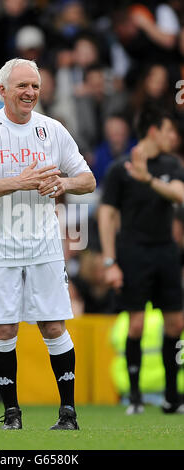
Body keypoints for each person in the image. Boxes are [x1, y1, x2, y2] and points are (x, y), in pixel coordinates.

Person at [0, 58, 96, 430]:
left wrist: (64, 184)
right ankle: (12, 414)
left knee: (53, 326)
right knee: (4, 329)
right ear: (2, 91)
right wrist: (19, 181)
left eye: (34, 85)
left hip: (44, 247)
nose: (30, 92)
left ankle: (68, 413)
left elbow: (88, 179)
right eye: (22, 86)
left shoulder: (52, 130)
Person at [98, 107, 184, 415]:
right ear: (153, 131)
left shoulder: (171, 164)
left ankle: (172, 397)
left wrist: (149, 179)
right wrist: (110, 261)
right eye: (168, 131)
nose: (173, 137)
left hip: (166, 251)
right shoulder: (120, 170)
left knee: (176, 323)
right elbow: (107, 214)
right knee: (136, 324)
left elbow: (179, 194)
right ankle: (134, 397)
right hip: (133, 253)